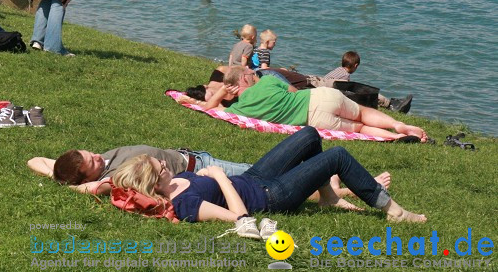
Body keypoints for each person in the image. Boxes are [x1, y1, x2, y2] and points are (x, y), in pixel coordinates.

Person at [111, 126, 425, 235]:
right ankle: (393, 210)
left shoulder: (178, 180)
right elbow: (238, 217)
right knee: (337, 155)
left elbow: (107, 185)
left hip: (254, 178)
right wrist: (220, 176)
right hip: (271, 196)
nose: (164, 161)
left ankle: (328, 195)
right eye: (159, 165)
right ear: (154, 182)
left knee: (309, 135)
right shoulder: (184, 204)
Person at [180, 66, 427, 141]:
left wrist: (223, 90)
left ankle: (393, 138)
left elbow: (209, 108)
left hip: (314, 119)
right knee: (362, 112)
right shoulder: (266, 83)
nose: (253, 73)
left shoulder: (239, 110)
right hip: (318, 97)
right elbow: (291, 89)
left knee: (360, 128)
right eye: (249, 73)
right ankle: (398, 125)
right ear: (245, 78)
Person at [27, 146, 251, 196]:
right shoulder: (114, 177)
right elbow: (93, 189)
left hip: (195, 155)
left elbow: (34, 159)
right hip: (201, 168)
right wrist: (73, 186)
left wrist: (52, 175)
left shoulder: (84, 164)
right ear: (85, 177)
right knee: (256, 173)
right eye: (93, 163)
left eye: (89, 153)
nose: (97, 157)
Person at [324, 51, 413, 113]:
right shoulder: (345, 76)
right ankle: (391, 105)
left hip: (324, 91)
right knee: (367, 93)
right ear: (355, 65)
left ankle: (391, 103)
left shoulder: (337, 70)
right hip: (331, 96)